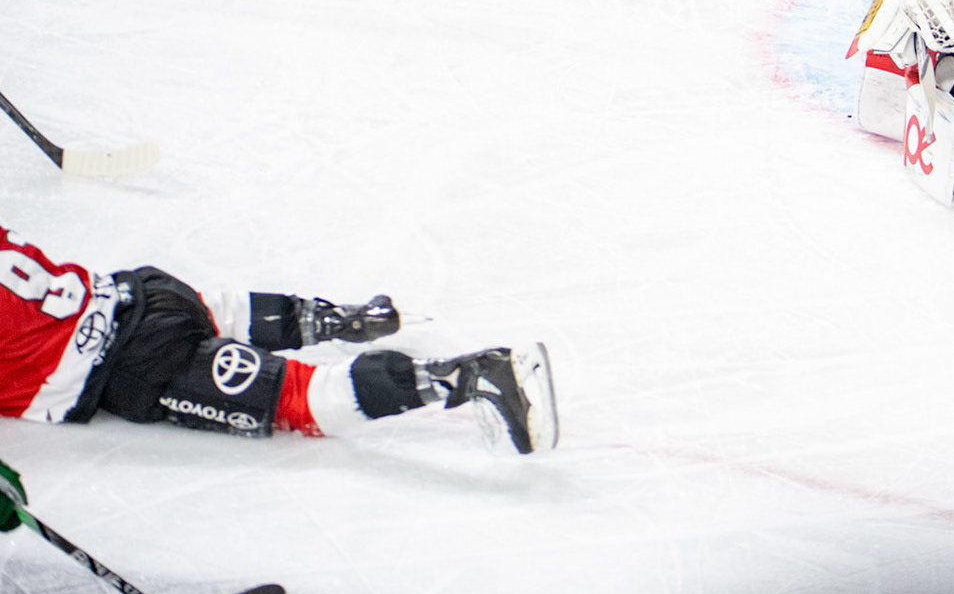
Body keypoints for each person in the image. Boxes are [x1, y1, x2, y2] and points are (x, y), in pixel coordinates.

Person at [0, 222, 556, 454]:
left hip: (127, 364)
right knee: (212, 311)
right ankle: (340, 320)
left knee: (304, 400)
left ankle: (471, 376)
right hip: (137, 294)